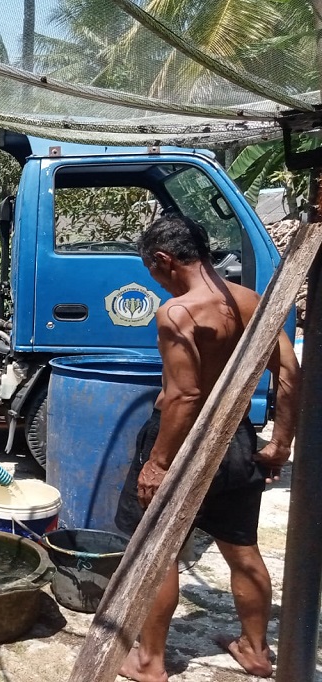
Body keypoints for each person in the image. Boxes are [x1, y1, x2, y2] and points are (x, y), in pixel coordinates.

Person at [115, 216, 300, 681]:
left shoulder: (177, 312)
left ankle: (150, 661)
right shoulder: (251, 301)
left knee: (158, 551)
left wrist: (157, 462)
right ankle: (256, 651)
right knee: (242, 549)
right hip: (236, 438)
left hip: (182, 442)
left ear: (163, 260)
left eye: (153, 272)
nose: (155, 282)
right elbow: (290, 372)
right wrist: (279, 442)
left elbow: (185, 395)